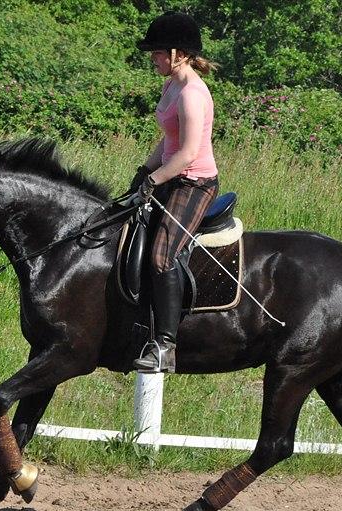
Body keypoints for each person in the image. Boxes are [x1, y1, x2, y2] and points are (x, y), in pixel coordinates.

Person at [129, 11, 219, 374]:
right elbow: (168, 140)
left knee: (162, 256)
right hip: (169, 176)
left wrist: (156, 180)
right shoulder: (172, 85)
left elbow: (187, 155)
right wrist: (144, 171)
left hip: (194, 183)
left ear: (178, 53)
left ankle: (165, 346)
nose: (153, 59)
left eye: (157, 53)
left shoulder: (193, 94)